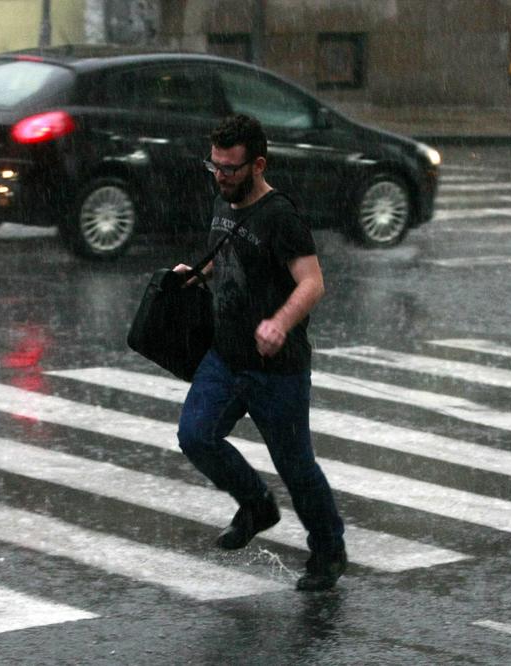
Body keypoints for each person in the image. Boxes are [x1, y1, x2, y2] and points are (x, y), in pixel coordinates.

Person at [174, 114, 347, 591]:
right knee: (196, 435)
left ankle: (329, 550)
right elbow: (233, 263)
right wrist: (199, 274)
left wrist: (279, 322)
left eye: (230, 168)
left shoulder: (280, 216)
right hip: (227, 356)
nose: (221, 177)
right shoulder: (223, 201)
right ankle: (256, 504)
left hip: (278, 369)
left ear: (258, 164)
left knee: (295, 465)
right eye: (215, 167)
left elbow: (312, 283)